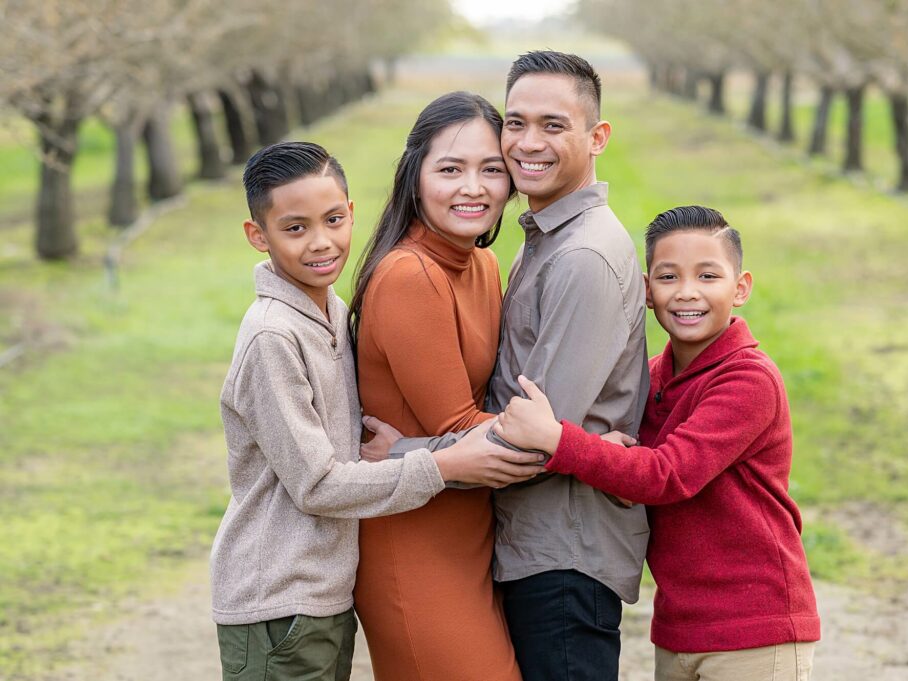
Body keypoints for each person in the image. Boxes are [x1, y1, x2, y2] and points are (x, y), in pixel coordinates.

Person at [209, 141, 544, 681]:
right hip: (278, 596)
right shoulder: (272, 337)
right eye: (295, 228)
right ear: (258, 235)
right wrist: (441, 465)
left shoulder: (332, 311)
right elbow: (316, 486)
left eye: (334, 219)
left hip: (323, 589)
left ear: (351, 213)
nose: (322, 242)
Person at [370, 51, 651, 681]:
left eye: (553, 125)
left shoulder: (581, 257)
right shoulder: (535, 246)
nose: (529, 143)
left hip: (563, 552)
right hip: (526, 545)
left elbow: (533, 442)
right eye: (516, 123)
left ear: (597, 136)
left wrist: (395, 457)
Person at [493, 206, 821, 681]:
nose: (687, 292)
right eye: (669, 277)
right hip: (680, 629)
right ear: (647, 291)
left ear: (741, 287)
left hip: (756, 626)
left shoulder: (749, 379)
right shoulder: (653, 379)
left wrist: (558, 439)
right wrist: (606, 450)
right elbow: (631, 464)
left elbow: (666, 474)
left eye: (708, 276)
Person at [346, 92, 522, 681]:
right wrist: (592, 449)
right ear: (414, 177)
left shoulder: (483, 266)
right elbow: (463, 434)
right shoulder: (409, 275)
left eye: (490, 169)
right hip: (413, 542)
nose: (473, 187)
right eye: (450, 169)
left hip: (471, 533)